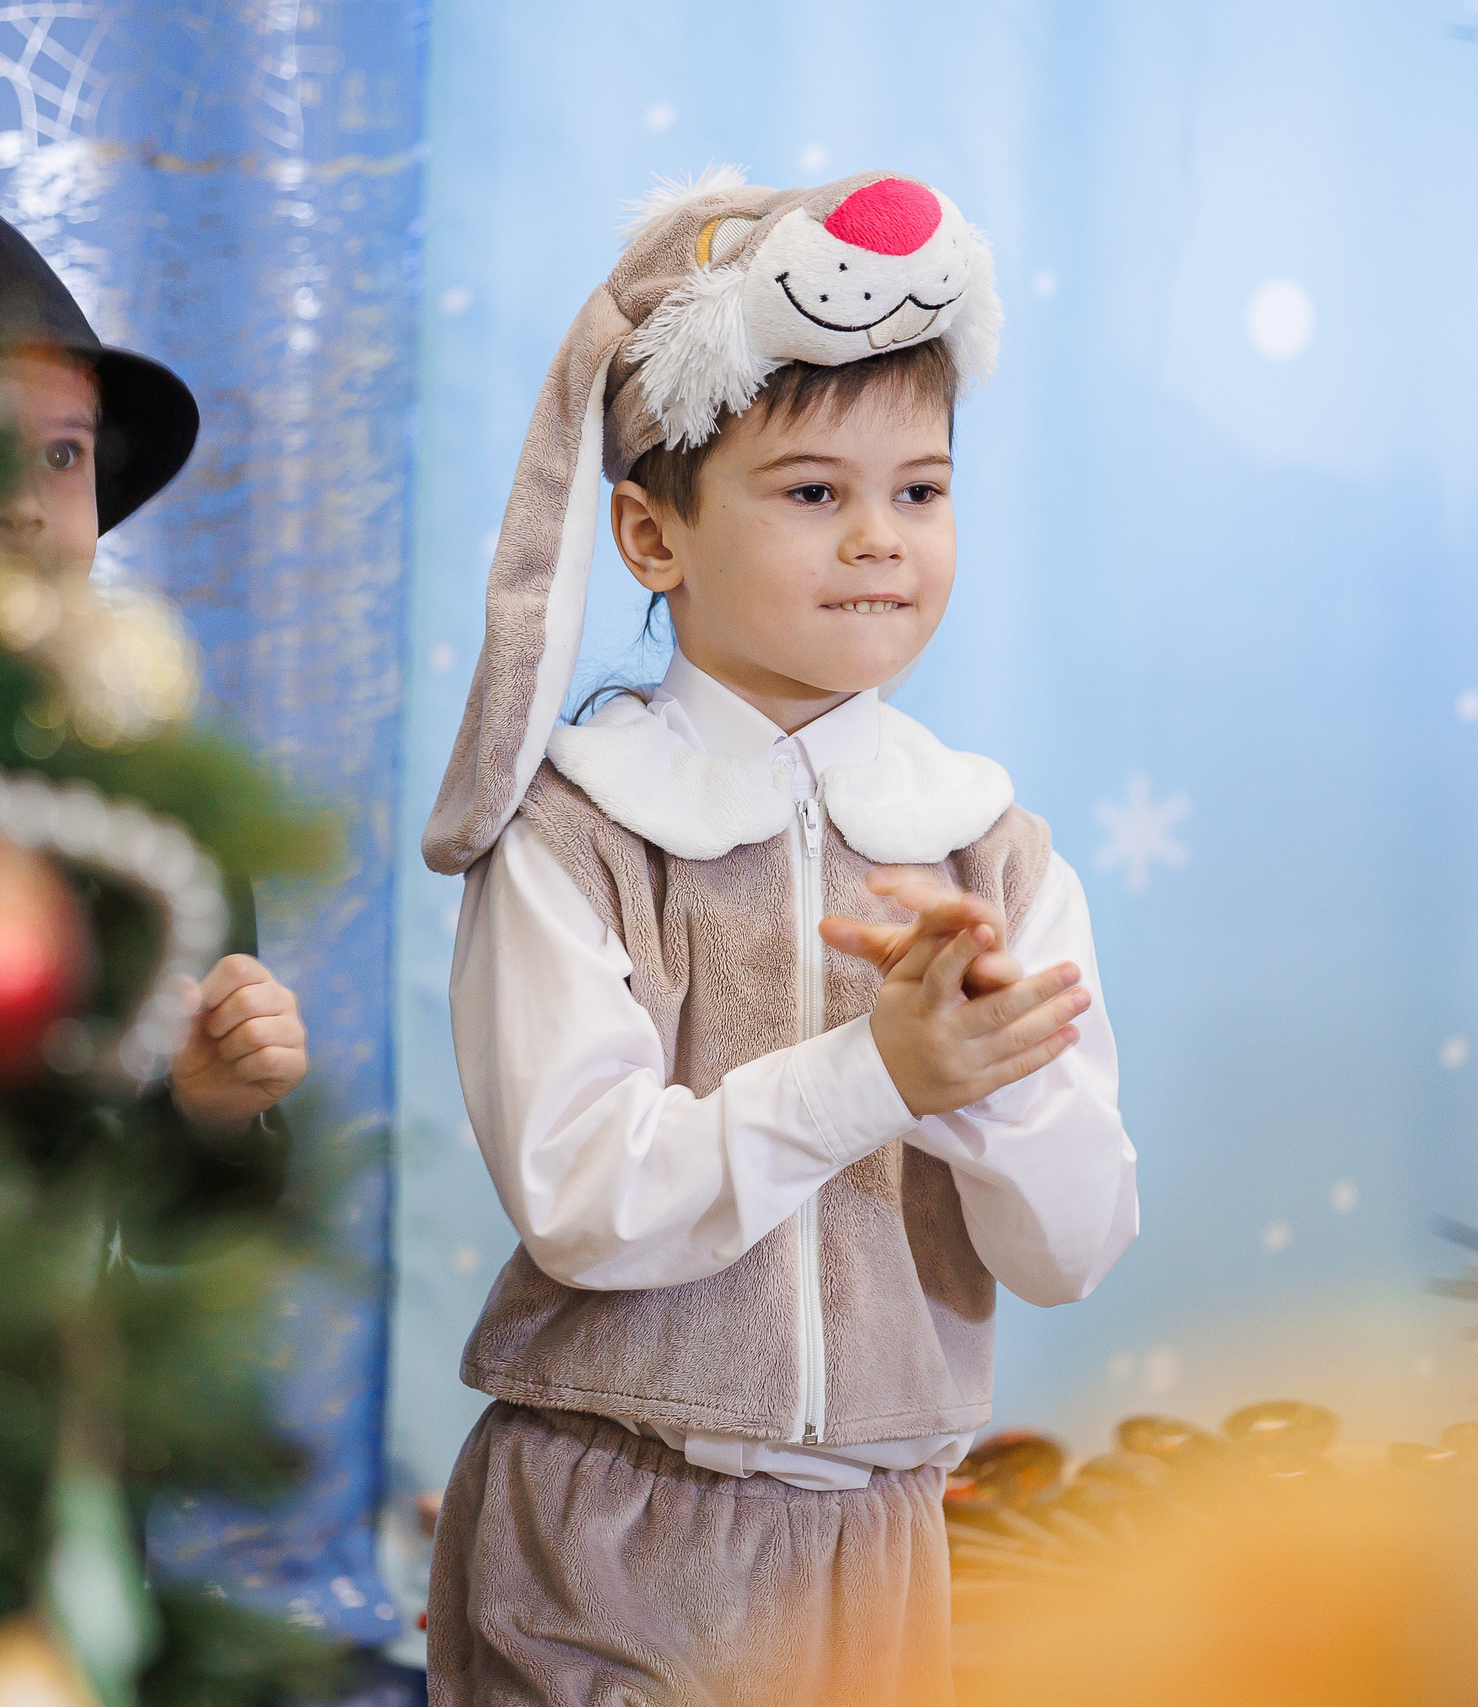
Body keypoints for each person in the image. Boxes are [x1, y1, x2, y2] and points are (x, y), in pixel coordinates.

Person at [419, 169, 1138, 1704]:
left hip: (880, 1550)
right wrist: (876, 1071)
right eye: (815, 491)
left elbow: (1070, 1250)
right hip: (612, 1527)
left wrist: (987, 1071)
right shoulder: (574, 834)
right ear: (648, 532)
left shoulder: (991, 852)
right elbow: (587, 1196)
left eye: (922, 490)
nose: (881, 538)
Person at [0, 194, 306, 1138]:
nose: (20, 505)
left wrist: (211, 1111)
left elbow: (181, 1242)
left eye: (62, 453)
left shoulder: (154, 803)